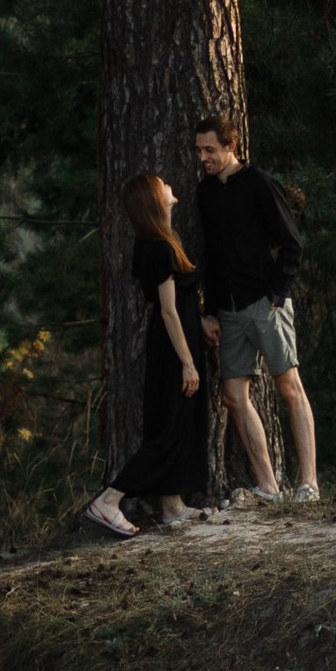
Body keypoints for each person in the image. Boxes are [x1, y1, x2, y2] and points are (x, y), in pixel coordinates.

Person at [194, 113, 320, 505]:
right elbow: (211, 258)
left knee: (289, 387)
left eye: (209, 149)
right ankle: (268, 487)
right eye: (199, 150)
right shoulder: (205, 193)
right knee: (233, 394)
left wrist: (276, 295)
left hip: (267, 304)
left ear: (231, 146)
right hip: (228, 311)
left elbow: (292, 243)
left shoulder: (260, 184)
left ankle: (309, 484)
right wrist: (210, 311)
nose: (203, 157)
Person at [83, 171, 211, 538]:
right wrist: (187, 361)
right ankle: (108, 500)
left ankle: (172, 507)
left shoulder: (160, 240)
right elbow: (169, 311)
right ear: (153, 200)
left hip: (173, 342)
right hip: (173, 347)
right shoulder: (160, 246)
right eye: (162, 185)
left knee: (171, 424)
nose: (170, 186)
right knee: (167, 432)